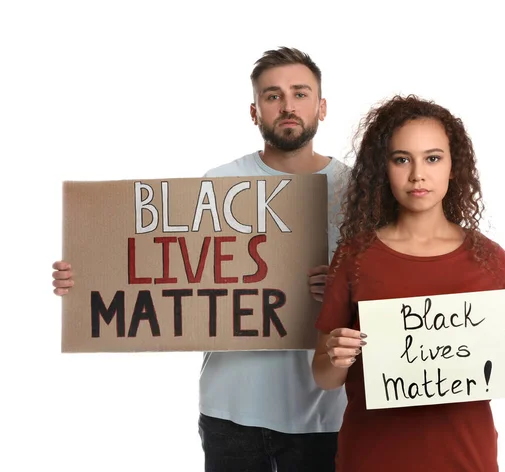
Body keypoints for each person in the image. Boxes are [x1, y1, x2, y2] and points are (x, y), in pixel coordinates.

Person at [52, 47, 349, 472]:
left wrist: (338, 288)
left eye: (300, 94)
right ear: (254, 111)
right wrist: (85, 280)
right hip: (231, 415)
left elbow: (382, 284)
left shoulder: (356, 189)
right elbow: (167, 267)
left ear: (321, 106)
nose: (287, 105)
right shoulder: (220, 183)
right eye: (272, 95)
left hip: (324, 414)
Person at [311, 94, 505, 472]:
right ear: (383, 169)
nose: (417, 173)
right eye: (401, 159)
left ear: (454, 167)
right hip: (371, 458)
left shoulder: (490, 258)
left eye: (432, 158)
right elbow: (323, 377)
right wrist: (338, 356)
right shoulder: (355, 256)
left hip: (465, 458)